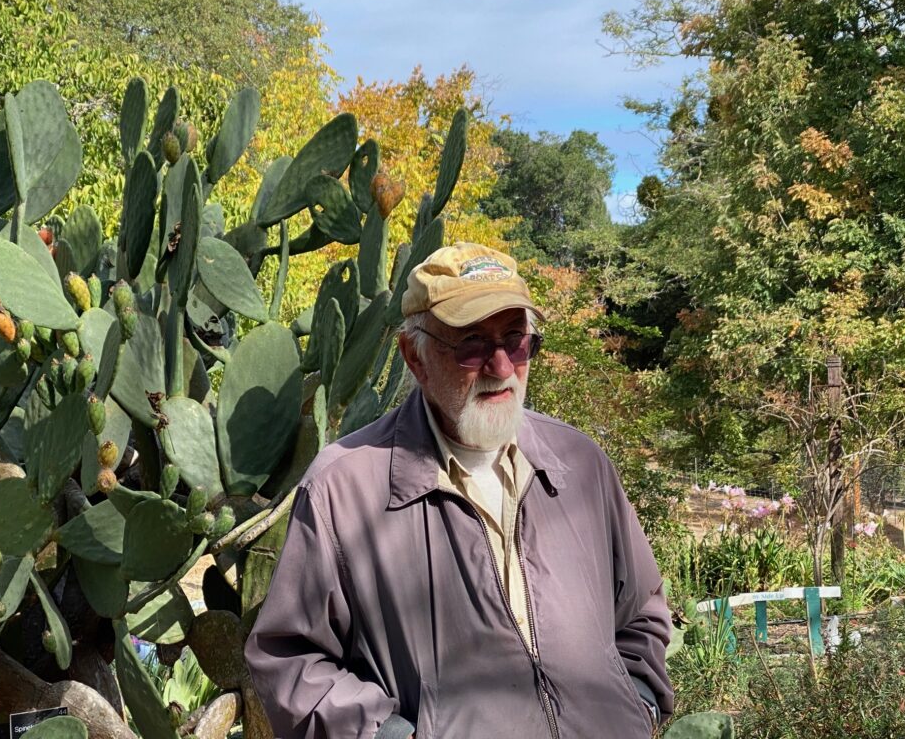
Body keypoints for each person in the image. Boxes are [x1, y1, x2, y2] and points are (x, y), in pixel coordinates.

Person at [245, 243, 673, 738]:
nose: (502, 367)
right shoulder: (344, 488)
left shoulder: (580, 465)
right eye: (473, 344)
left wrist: (635, 703)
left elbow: (641, 608)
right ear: (415, 357)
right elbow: (290, 659)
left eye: (515, 341)